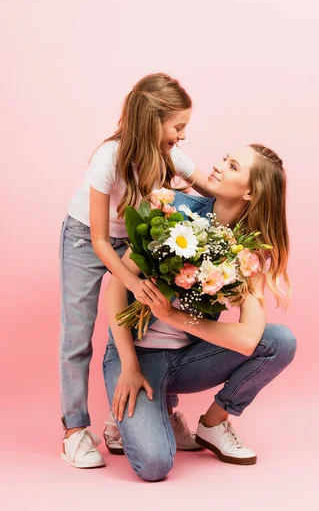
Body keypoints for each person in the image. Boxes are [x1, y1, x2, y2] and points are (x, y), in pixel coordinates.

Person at [103, 143, 297, 481]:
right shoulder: (173, 207)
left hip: (188, 361)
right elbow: (117, 287)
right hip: (135, 358)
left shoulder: (247, 249)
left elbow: (250, 338)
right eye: (225, 158)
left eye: (233, 166)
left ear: (251, 192)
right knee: (154, 466)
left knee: (279, 341)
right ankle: (146, 414)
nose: (219, 166)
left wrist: (173, 317)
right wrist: (129, 367)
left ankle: (213, 423)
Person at [60, 73, 210, 468]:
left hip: (133, 237)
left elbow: (212, 194)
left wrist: (255, 188)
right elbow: (98, 241)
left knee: (149, 323)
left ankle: (122, 422)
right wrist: (132, 281)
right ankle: (74, 431)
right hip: (87, 238)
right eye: (178, 126)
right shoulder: (108, 157)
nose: (182, 135)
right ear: (154, 120)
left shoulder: (170, 155)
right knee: (78, 334)